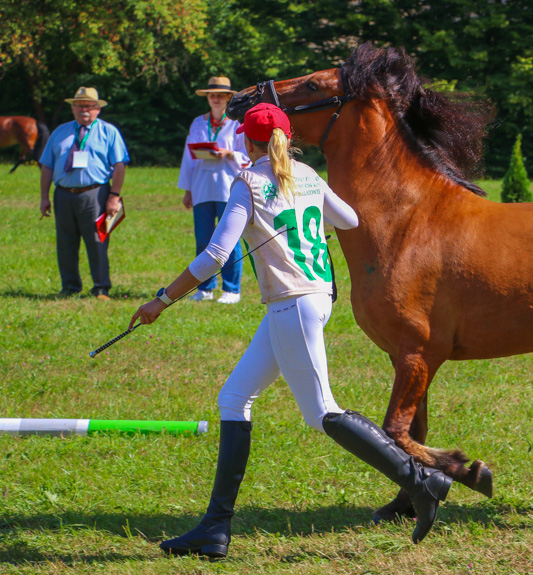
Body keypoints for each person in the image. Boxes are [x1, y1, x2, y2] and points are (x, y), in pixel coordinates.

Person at [130, 103, 451, 558]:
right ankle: (215, 529)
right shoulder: (308, 176)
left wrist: (161, 300)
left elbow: (215, 257)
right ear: (286, 137)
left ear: (247, 140)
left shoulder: (249, 182)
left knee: (322, 411)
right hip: (313, 299)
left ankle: (421, 480)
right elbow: (351, 220)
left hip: (293, 305)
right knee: (233, 399)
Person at [39, 86, 129, 300]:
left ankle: (101, 288)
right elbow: (47, 166)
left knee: (98, 240)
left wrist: (114, 196)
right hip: (63, 194)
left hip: (96, 194)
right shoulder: (59, 132)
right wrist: (44, 196)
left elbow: (119, 165)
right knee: (65, 243)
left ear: (98, 109)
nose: (84, 110)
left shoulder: (109, 132)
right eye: (79, 106)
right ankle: (69, 287)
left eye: (89, 106)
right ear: (72, 108)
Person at [177, 76, 250, 304]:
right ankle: (205, 287)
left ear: (229, 98)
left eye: (220, 95)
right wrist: (187, 189)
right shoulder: (199, 122)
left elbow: (248, 155)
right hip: (202, 188)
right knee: (203, 240)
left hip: (229, 188)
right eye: (212, 95)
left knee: (230, 240)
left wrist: (228, 153)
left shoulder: (238, 124)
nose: (216, 99)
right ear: (207, 98)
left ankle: (231, 289)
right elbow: (188, 158)